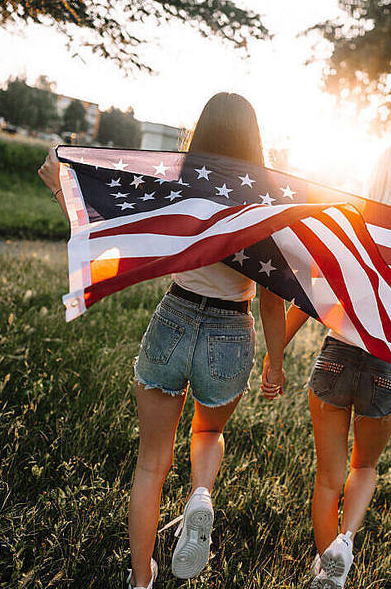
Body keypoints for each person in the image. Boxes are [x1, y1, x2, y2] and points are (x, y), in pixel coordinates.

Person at [39, 92, 287, 589]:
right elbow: (273, 295)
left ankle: (140, 579)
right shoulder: (266, 200)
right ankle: (200, 494)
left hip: (174, 317)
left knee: (151, 462)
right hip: (230, 330)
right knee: (209, 434)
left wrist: (61, 182)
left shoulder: (178, 183)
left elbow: (117, 220)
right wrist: (275, 362)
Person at [261, 141, 391, 589]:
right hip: (387, 371)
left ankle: (324, 567)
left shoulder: (354, 228)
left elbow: (313, 296)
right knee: (365, 467)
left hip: (336, 358)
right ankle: (345, 543)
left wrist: (274, 354)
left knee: (327, 477)